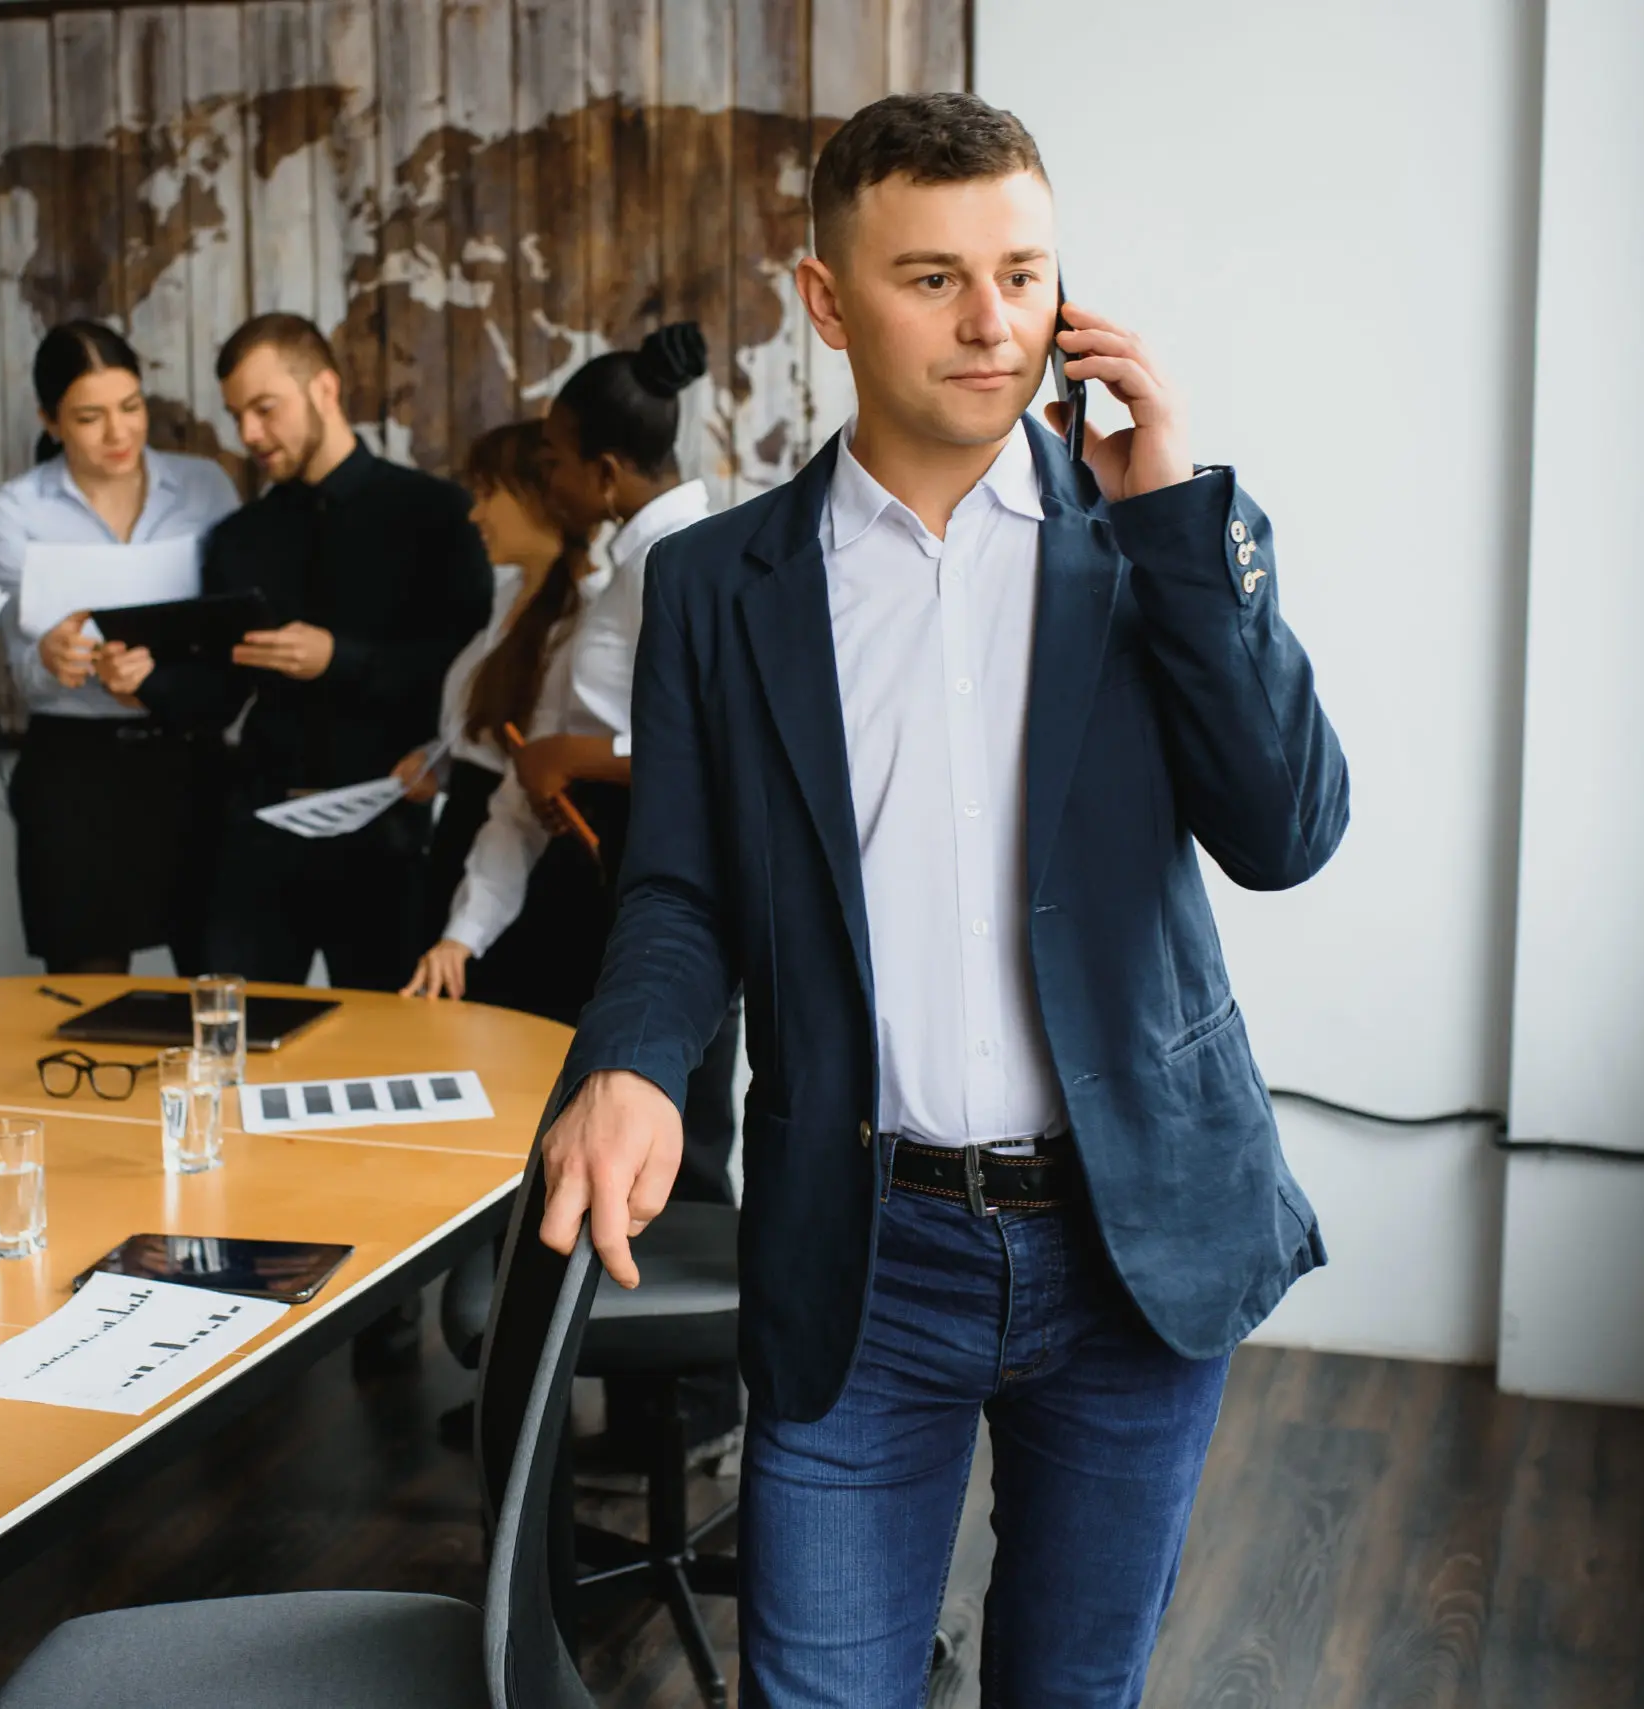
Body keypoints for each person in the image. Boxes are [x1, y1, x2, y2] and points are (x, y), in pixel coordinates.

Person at [533, 94, 1349, 1707]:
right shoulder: (714, 583)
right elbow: (682, 886)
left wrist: (1177, 513)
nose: (995, 322)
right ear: (827, 300)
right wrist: (626, 1058)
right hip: (866, 1250)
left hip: (1134, 1244)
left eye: (1026, 273)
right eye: (933, 279)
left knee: (1071, 1688)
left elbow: (1285, 829)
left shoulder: (1156, 542)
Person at [99, 314, 492, 992]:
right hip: (256, 834)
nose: (248, 434)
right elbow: (221, 693)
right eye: (236, 415)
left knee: (393, 1058)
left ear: (325, 389)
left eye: (264, 408)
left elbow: (470, 676)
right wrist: (145, 681)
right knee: (229, 1038)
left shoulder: (437, 514)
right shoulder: (239, 537)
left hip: (390, 838)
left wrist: (341, 658)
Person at [400, 328, 712, 1028]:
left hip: (674, 893)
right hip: (613, 879)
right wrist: (466, 930)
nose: (549, 483)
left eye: (553, 462)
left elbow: (725, 750)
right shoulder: (634, 574)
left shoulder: (685, 566)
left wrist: (570, 757)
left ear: (603, 472)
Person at [0, 322, 241, 975]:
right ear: (50, 419)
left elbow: (230, 633)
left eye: (131, 407)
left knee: (219, 984)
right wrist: (49, 660)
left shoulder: (206, 488)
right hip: (77, 773)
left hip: (191, 763)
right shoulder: (17, 511)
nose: (119, 434)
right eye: (90, 417)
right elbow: (21, 672)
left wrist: (169, 674)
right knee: (89, 996)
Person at [391, 420, 594, 980]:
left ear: (540, 496)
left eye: (488, 495)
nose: (474, 514)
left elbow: (527, 777)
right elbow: (485, 728)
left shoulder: (585, 618)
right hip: (461, 837)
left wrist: (469, 925)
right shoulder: (507, 594)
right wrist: (442, 761)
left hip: (521, 866)